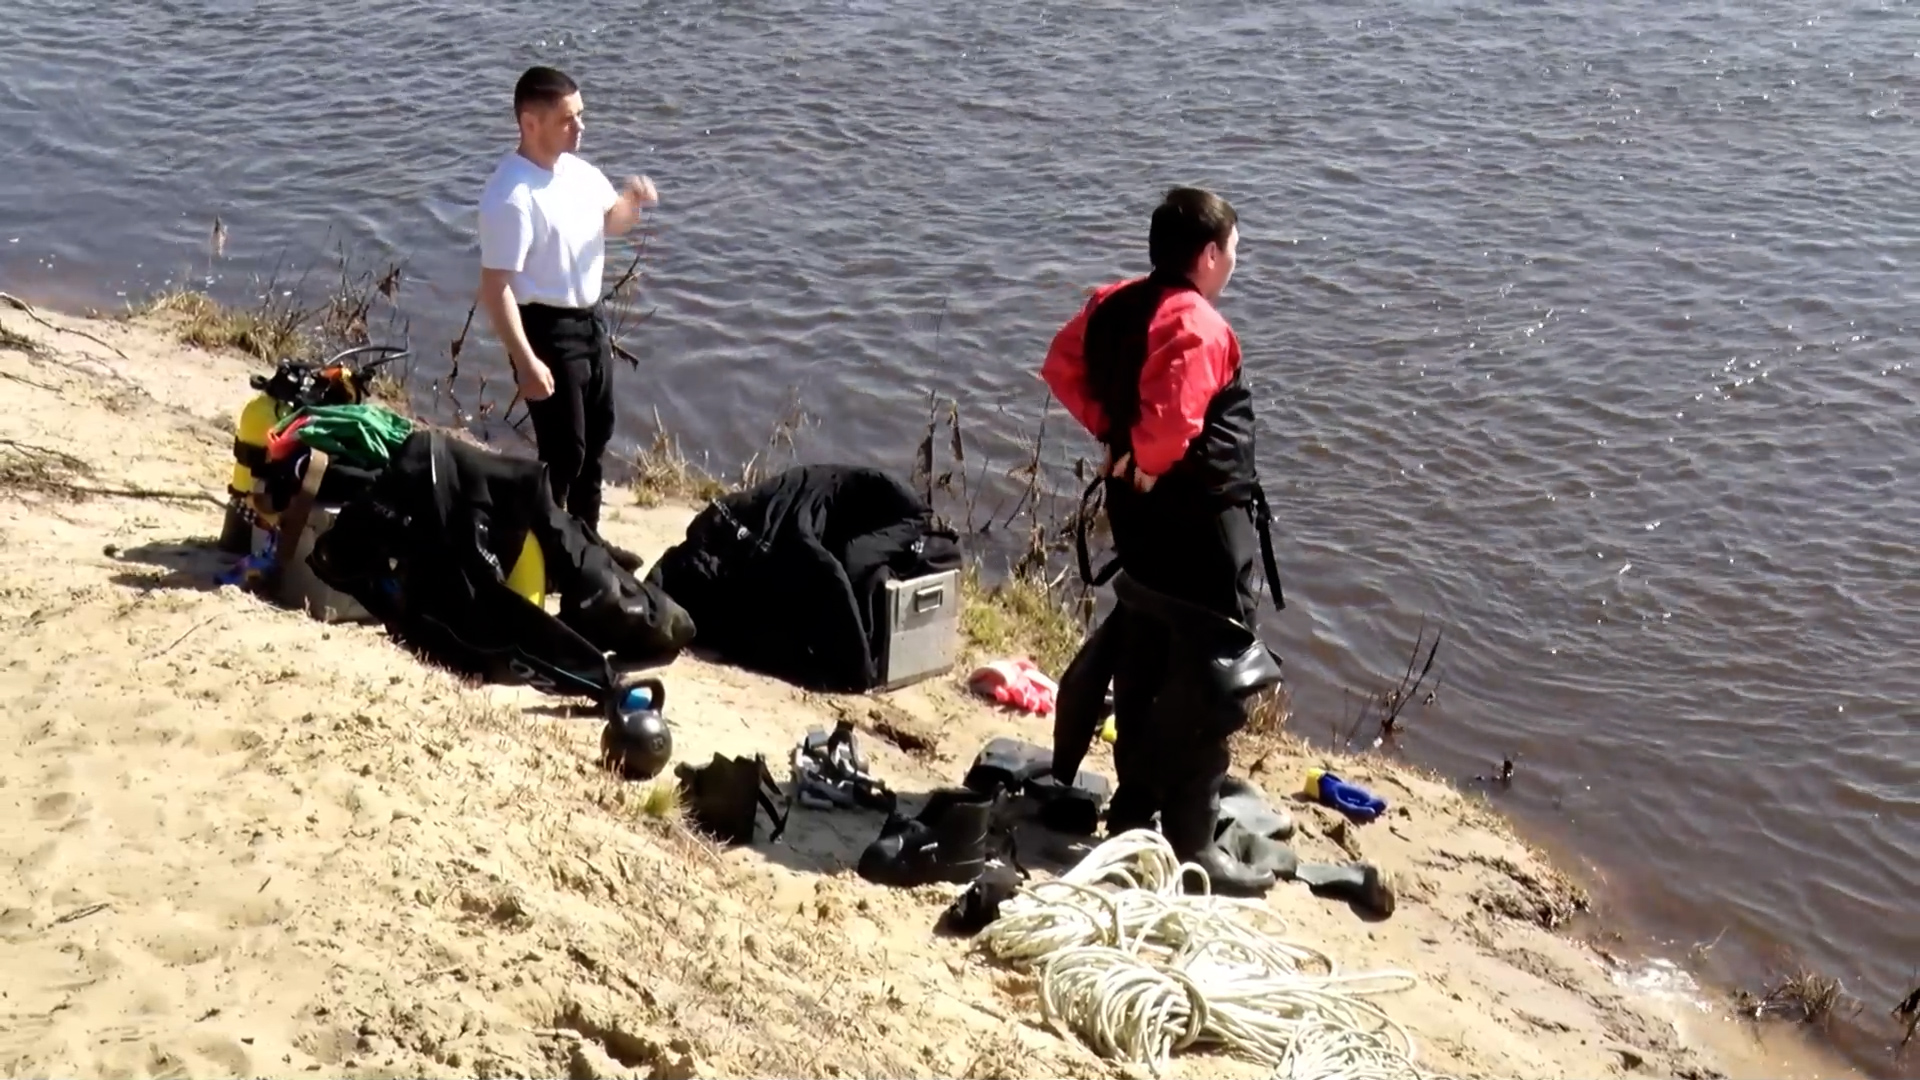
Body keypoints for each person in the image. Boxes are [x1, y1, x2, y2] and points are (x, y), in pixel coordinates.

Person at [1040, 186, 1283, 895]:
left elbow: (1061, 366)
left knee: (1143, 644)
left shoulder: (1112, 300)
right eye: (1234, 249)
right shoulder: (1197, 325)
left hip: (1138, 515)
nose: (1236, 262)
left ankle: (1131, 809)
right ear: (1209, 254)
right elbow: (1177, 420)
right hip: (1201, 527)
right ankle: (1191, 839)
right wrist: (1146, 454)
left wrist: (1112, 440)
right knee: (1216, 670)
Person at [477, 65, 657, 538]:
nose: (580, 127)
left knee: (596, 440)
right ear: (530, 123)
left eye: (581, 115)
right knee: (565, 452)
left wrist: (631, 203)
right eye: (567, 119)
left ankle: (588, 544)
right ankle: (544, 546)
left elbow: (608, 222)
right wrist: (526, 362)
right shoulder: (511, 195)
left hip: (591, 322)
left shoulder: (578, 172)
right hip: (545, 328)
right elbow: (494, 288)